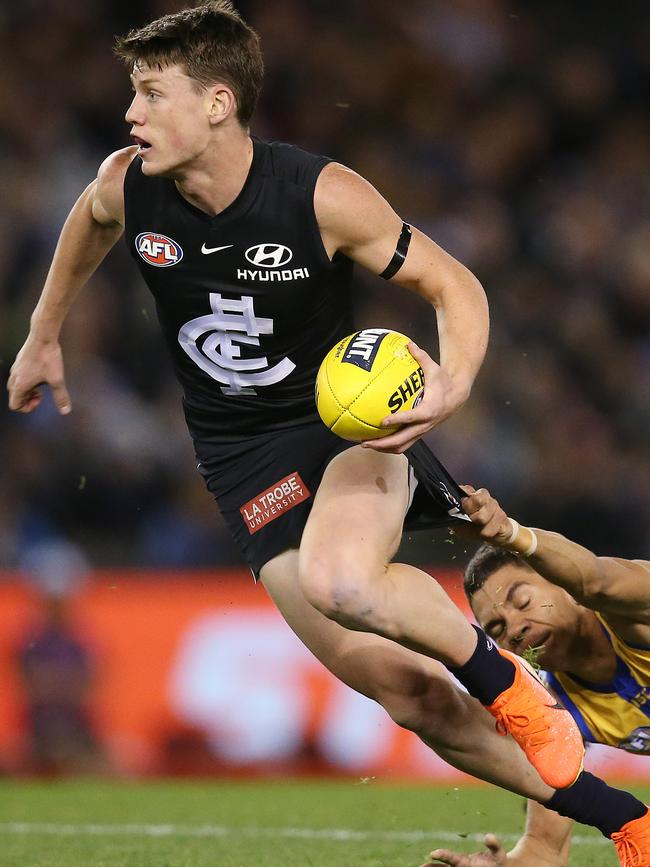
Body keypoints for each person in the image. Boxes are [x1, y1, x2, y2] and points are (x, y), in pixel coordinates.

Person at [6, 2, 647, 859]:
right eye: (133, 93)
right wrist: (44, 333)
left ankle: (505, 685)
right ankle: (627, 820)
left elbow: (453, 284)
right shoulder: (130, 182)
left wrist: (453, 381)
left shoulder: (320, 195)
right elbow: (88, 219)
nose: (132, 113)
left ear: (218, 104)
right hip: (241, 463)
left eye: (152, 94)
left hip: (346, 430)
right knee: (405, 693)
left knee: (343, 582)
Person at [423, 485, 650, 866]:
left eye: (523, 600)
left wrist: (510, 533)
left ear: (565, 586)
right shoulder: (554, 714)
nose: (514, 627)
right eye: (496, 628)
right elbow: (544, 850)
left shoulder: (633, 614)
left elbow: (595, 579)